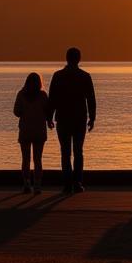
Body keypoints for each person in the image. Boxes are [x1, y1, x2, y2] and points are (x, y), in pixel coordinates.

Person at [48, 47, 96, 194]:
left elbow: (52, 99)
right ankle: (78, 183)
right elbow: (91, 99)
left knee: (65, 152)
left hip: (62, 118)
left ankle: (67, 184)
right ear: (79, 59)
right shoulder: (85, 76)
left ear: (66, 58)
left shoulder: (58, 76)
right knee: (78, 151)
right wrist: (92, 118)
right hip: (79, 118)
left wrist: (49, 117)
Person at [14, 72, 52, 194]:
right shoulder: (42, 95)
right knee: (38, 159)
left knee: (25, 159)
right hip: (39, 131)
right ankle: (37, 185)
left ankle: (26, 184)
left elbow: (16, 112)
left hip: (25, 130)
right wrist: (49, 122)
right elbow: (48, 112)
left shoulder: (21, 94)